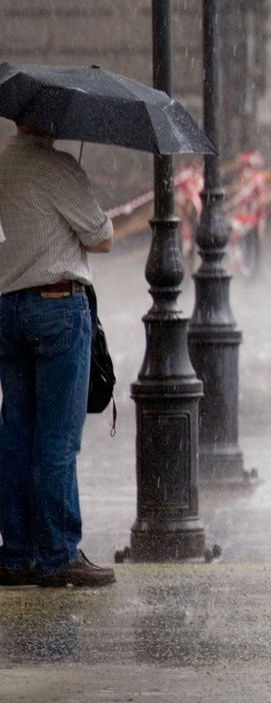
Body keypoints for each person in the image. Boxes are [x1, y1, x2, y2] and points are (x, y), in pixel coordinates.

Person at [0, 122, 116, 588]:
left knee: (16, 435)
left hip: (7, 310)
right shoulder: (58, 166)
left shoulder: (3, 164)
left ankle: (17, 554)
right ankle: (58, 554)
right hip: (56, 308)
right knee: (57, 439)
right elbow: (102, 236)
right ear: (50, 120)